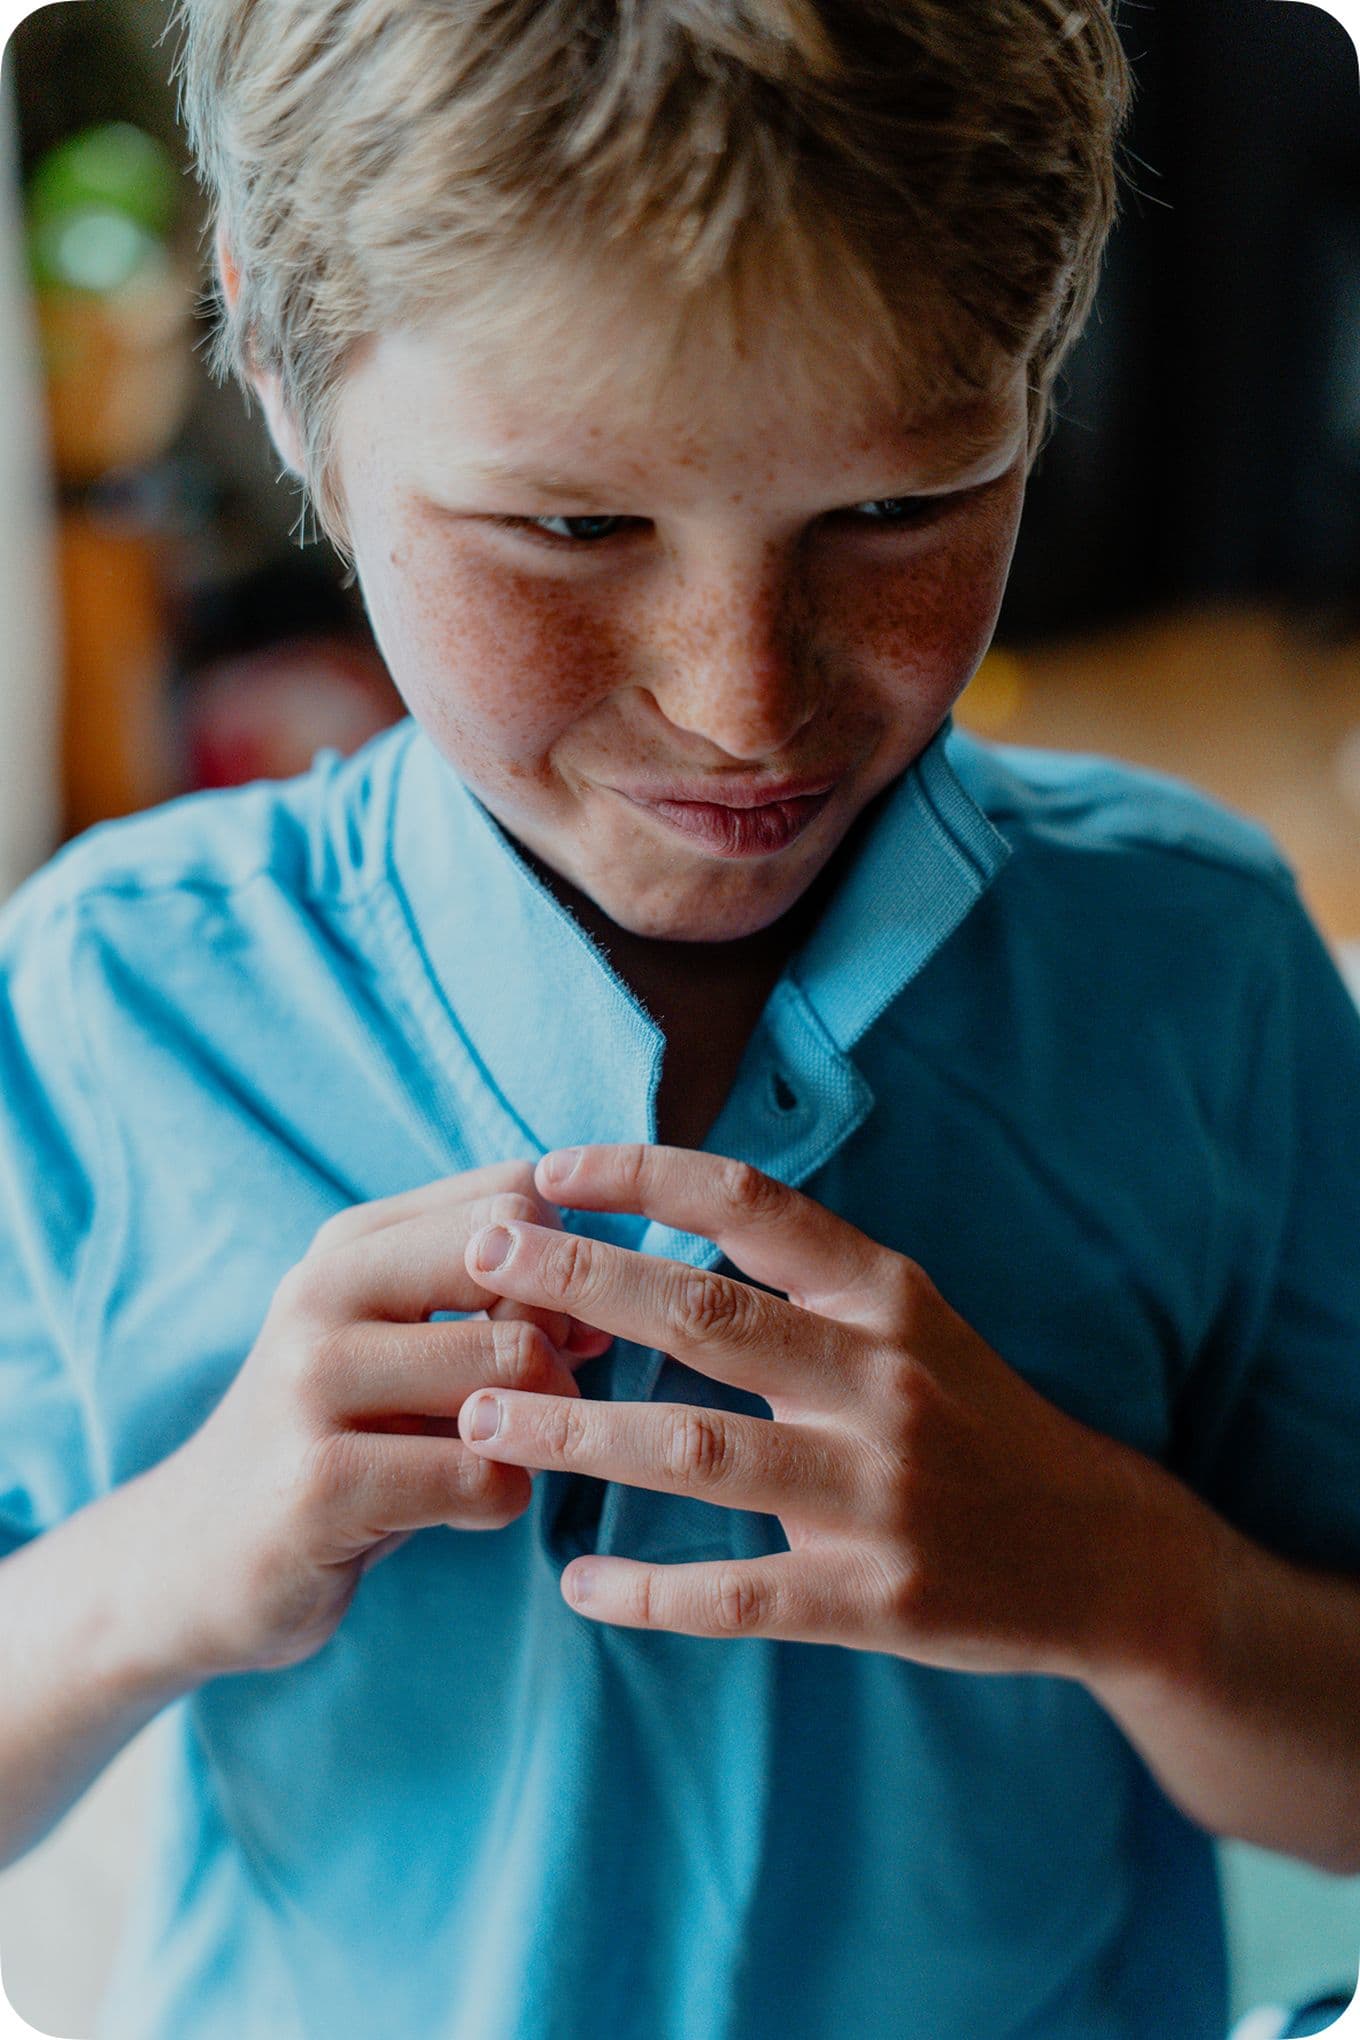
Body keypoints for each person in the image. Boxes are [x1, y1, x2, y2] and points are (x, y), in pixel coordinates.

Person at [2, 4, 1358, 2036]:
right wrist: (175, 1556)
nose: (743, 704)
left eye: (899, 509)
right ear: (279, 383)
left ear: (1041, 376)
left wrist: (1124, 1581)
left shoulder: (1204, 974)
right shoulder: (107, 999)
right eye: (574, 528)